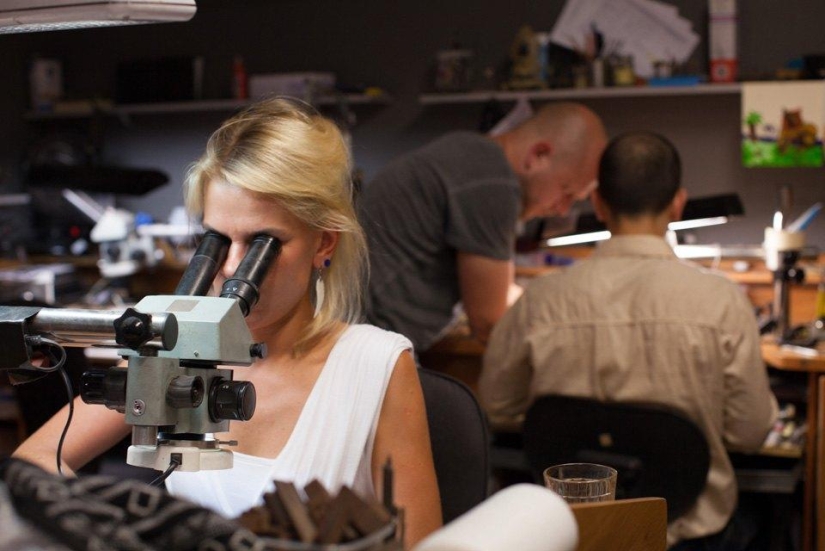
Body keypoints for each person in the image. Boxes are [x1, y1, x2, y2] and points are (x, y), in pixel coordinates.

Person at [12, 97, 442, 548]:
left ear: (323, 244)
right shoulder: (174, 349)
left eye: (263, 243)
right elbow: (35, 460)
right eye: (216, 241)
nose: (233, 267)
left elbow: (421, 545)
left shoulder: (375, 364)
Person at [478, 132, 778, 549]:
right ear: (678, 203)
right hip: (687, 535)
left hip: (576, 531)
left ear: (598, 203)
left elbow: (498, 408)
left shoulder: (540, 301)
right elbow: (751, 432)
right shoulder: (723, 302)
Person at [359, 102, 607, 353]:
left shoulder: (474, 153)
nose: (563, 210)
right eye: (566, 191)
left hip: (367, 338)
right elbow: (489, 323)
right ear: (538, 155)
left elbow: (500, 292)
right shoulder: (493, 184)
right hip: (366, 349)